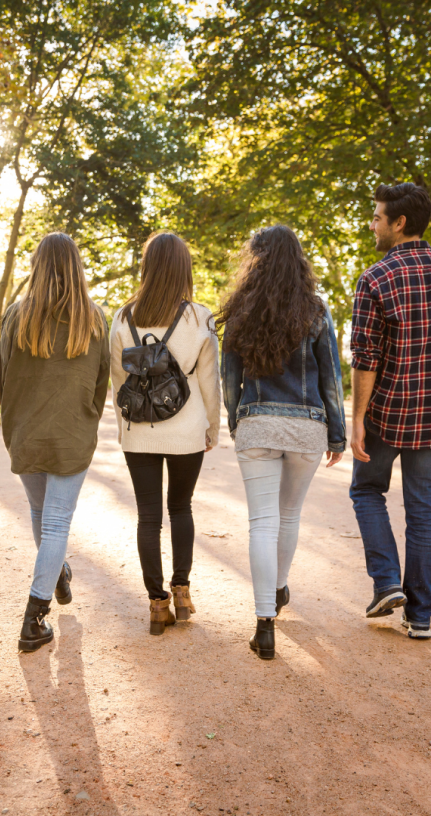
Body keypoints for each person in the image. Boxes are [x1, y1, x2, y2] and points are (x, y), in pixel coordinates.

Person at [219, 225, 345, 660]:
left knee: (262, 522)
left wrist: (238, 422)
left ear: (255, 260)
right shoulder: (315, 310)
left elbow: (229, 377)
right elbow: (331, 377)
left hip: (257, 423)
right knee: (288, 516)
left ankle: (264, 623)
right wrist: (338, 434)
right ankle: (277, 590)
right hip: (307, 427)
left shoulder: (240, 311)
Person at [0, 232, 110, 652]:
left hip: (25, 431)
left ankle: (56, 572)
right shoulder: (95, 319)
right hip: (71, 433)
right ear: (76, 267)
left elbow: (4, 373)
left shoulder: (15, 315)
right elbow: (101, 386)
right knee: (57, 520)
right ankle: (34, 617)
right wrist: (86, 420)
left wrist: (14, 425)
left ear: (36, 265)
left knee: (41, 512)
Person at [110, 232, 221, 635]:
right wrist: (213, 426)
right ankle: (183, 590)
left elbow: (118, 379)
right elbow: (210, 381)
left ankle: (157, 603)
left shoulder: (124, 318)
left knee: (148, 517)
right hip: (187, 430)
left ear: (147, 267)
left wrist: (125, 426)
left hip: (139, 431)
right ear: (184, 269)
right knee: (181, 509)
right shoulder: (200, 317)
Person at [350, 182, 431, 638]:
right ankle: (421, 616)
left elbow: (366, 358)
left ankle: (386, 582)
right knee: (424, 512)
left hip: (387, 413)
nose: (372, 223)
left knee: (366, 492)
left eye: (377, 216)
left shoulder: (376, 278)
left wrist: (357, 418)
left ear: (399, 223)